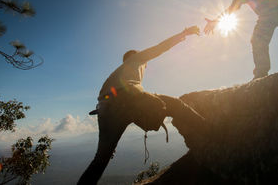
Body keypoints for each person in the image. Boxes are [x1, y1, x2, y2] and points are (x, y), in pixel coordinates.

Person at [78, 26, 200, 185]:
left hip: (104, 110)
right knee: (175, 105)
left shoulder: (116, 74)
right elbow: (161, 47)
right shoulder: (137, 58)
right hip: (128, 98)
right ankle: (213, 132)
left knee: (100, 159)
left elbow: (108, 96)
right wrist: (184, 34)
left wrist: (106, 114)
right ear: (136, 56)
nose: (146, 64)